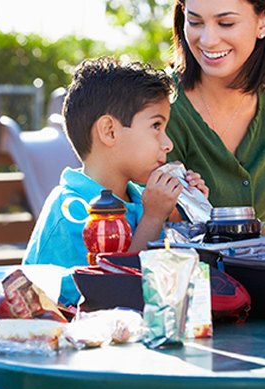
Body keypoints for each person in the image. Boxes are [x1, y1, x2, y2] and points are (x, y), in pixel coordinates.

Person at [23, 57, 208, 306]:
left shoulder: (141, 199)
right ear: (109, 131)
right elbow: (112, 292)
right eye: (156, 126)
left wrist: (181, 213)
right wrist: (153, 218)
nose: (168, 144)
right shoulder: (72, 209)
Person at [166, 0, 265, 235]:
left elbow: (259, 221)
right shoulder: (162, 105)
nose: (208, 40)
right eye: (195, 22)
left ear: (264, 21)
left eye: (226, 23)